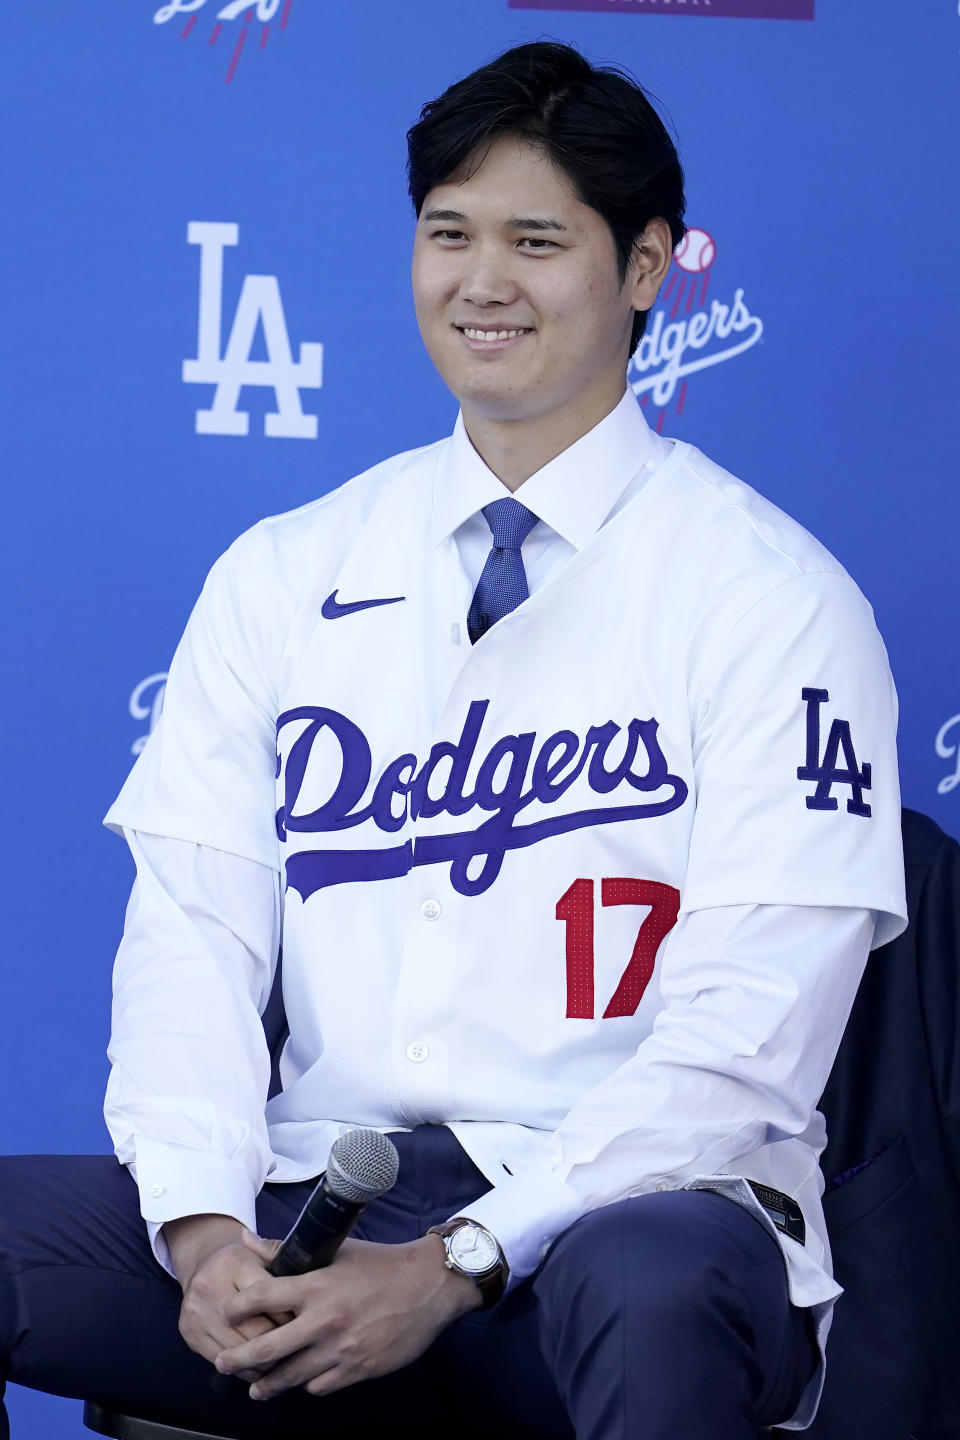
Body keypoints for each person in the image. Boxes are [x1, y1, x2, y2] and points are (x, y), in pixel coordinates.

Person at [1, 40, 906, 1440]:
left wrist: (460, 1260)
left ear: (650, 264)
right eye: (448, 235)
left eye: (536, 240)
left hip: (621, 1225)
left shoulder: (772, 599)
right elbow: (193, 940)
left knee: (651, 1283)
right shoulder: (284, 569)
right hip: (323, 1207)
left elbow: (746, 1047)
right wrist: (201, 1235)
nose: (483, 283)